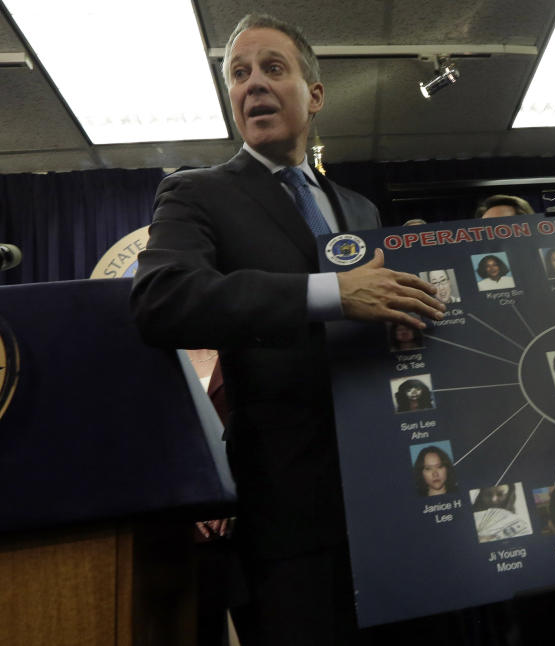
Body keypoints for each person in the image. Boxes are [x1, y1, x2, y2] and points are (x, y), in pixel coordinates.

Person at [129, 13, 445, 644]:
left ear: (315, 94)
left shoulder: (358, 209)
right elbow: (162, 299)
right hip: (286, 517)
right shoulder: (193, 194)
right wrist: (331, 293)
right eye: (239, 74)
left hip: (390, 495)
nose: (253, 85)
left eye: (273, 68)